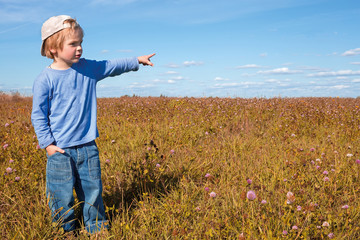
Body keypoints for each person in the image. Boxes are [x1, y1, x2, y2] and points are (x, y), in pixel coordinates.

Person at [31, 15, 155, 234]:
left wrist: (136, 60)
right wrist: (48, 145)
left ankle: (96, 229)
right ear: (53, 48)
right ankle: (64, 231)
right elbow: (38, 116)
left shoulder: (88, 68)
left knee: (92, 190)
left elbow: (111, 65)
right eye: (73, 44)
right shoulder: (45, 79)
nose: (79, 48)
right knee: (61, 195)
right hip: (60, 150)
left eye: (80, 43)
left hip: (88, 146)